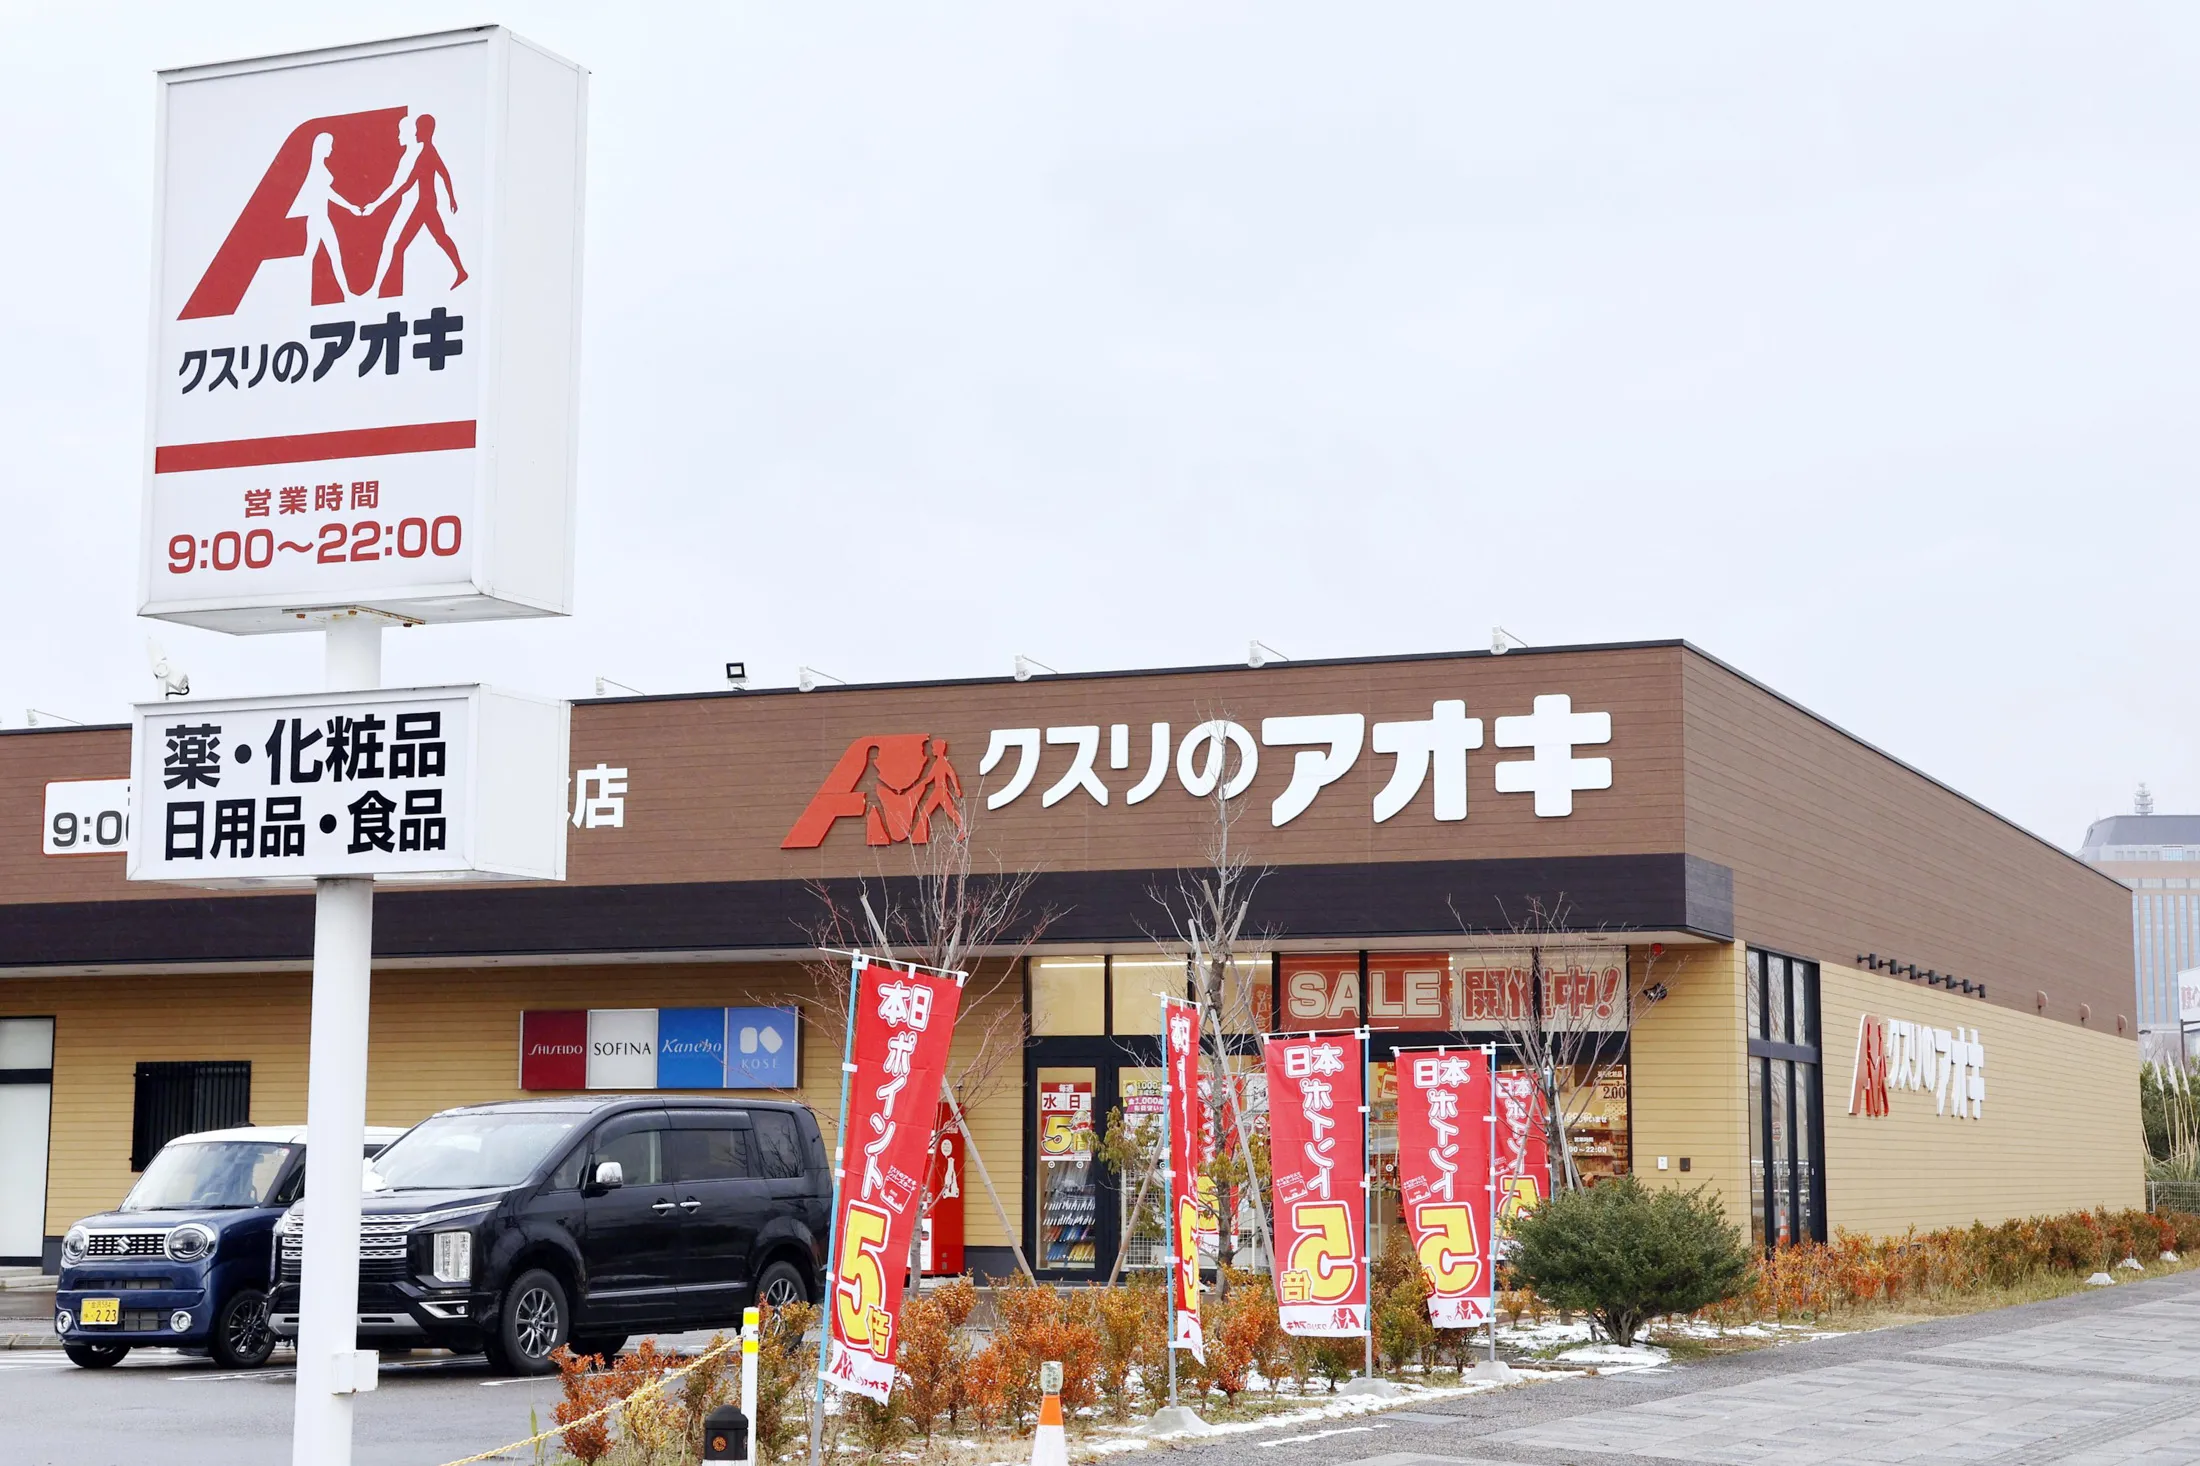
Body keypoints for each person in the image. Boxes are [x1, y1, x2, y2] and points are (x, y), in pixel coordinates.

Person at [354, 112, 467, 295]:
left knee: (398, 245)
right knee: (439, 238)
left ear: (423, 131)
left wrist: (376, 205)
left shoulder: (426, 153)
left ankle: (377, 290)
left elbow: (408, 183)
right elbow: (440, 175)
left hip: (424, 205)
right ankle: (461, 271)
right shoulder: (427, 151)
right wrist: (450, 198)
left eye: (417, 130)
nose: (415, 134)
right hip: (426, 204)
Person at [292, 133, 364, 300]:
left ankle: (346, 294)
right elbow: (328, 193)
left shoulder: (319, 167)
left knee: (319, 255)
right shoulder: (316, 169)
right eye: (329, 145)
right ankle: (346, 294)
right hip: (318, 218)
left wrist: (350, 207)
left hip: (321, 217)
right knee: (321, 255)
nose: (331, 149)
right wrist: (349, 207)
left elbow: (327, 193)